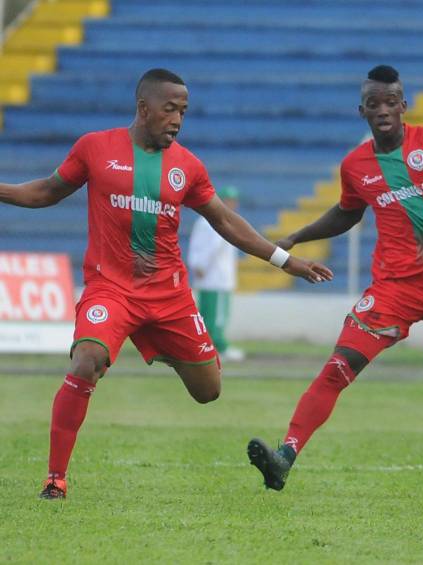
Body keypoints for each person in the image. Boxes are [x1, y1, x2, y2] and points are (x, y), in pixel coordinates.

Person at [0, 68, 333, 500]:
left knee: (208, 391)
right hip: (111, 289)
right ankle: (55, 479)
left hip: (168, 296)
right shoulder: (95, 148)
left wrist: (283, 260)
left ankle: (161, 347)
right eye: (170, 109)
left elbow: (225, 220)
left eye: (184, 111)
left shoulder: (188, 166)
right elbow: (45, 191)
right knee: (86, 360)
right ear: (144, 108)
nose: (177, 119)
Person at [246, 64, 423, 491]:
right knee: (339, 366)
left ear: (403, 106)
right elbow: (347, 211)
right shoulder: (356, 165)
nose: (383, 110)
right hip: (394, 288)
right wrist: (301, 234)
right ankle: (285, 456)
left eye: (390, 102)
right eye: (374, 104)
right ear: (363, 111)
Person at [188, 185, 245, 362]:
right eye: (229, 200)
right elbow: (211, 247)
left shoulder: (204, 221)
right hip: (216, 277)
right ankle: (219, 347)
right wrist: (201, 266)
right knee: (216, 315)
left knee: (206, 315)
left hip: (209, 276)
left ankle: (206, 347)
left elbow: (196, 246)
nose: (233, 204)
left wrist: (197, 265)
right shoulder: (218, 220)